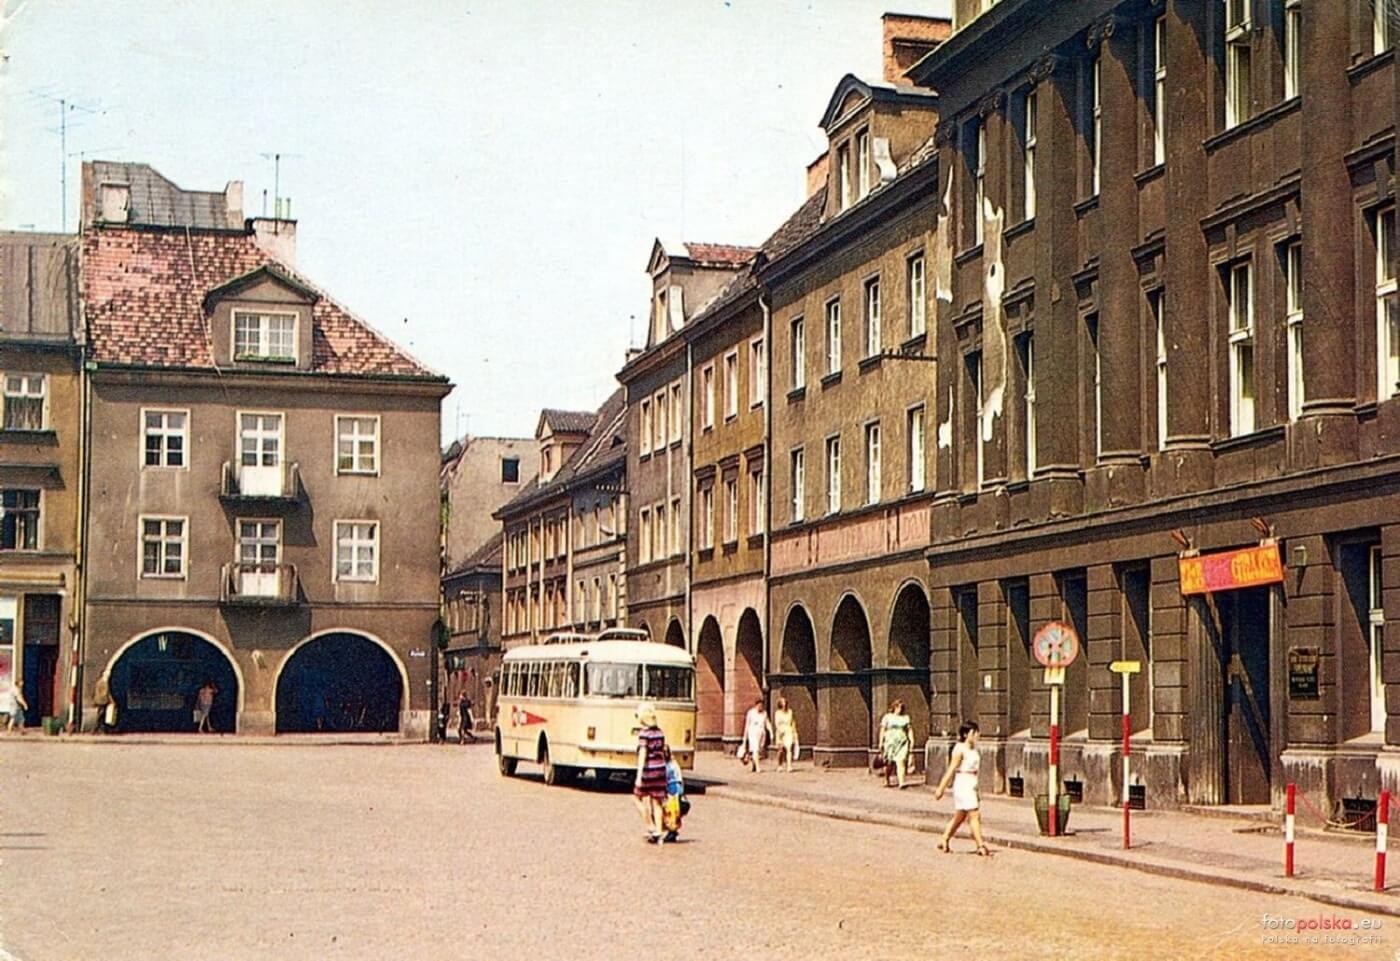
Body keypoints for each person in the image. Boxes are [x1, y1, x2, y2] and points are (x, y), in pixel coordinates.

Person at [934, 720, 989, 856]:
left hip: (971, 782)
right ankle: (980, 845)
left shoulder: (974, 750)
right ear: (965, 734)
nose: (977, 735)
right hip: (963, 782)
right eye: (973, 733)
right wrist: (941, 788)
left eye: (977, 732)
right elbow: (952, 768)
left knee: (960, 816)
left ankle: (945, 838)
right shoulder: (960, 749)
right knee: (974, 814)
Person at [633, 702, 669, 843]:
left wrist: (639, 775)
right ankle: (659, 833)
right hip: (661, 770)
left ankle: (650, 825)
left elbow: (643, 754)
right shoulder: (660, 732)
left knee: (637, 797)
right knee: (657, 802)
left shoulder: (644, 734)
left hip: (649, 771)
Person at [878, 700, 915, 789]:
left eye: (902, 707)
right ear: (894, 707)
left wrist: (912, 740)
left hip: (902, 742)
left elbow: (909, 730)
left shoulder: (905, 718)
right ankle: (887, 778)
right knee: (889, 763)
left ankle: (901, 782)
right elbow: (882, 730)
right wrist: (881, 742)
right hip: (890, 742)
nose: (900, 709)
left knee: (901, 761)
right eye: (898, 707)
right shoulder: (887, 717)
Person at [661, 747, 688, 843]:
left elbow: (677, 777)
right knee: (670, 811)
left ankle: (672, 831)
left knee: (671, 811)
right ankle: (671, 830)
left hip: (673, 788)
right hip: (672, 788)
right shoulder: (670, 764)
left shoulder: (670, 764)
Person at [741, 697, 774, 774]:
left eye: (761, 705)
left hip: (761, 734)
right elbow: (747, 725)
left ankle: (754, 765)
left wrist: (771, 732)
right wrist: (744, 738)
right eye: (759, 705)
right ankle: (758, 767)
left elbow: (767, 723)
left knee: (758, 751)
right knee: (755, 749)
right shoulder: (751, 713)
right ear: (756, 705)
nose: (760, 707)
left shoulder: (764, 713)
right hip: (752, 733)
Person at [773, 696, 798, 773]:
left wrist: (795, 732)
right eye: (783, 702)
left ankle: (789, 766)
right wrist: (779, 732)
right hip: (780, 731)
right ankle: (780, 765)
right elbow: (777, 724)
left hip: (788, 731)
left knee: (789, 748)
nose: (784, 704)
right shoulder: (777, 713)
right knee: (780, 750)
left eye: (785, 702)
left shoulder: (790, 712)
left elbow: (792, 722)